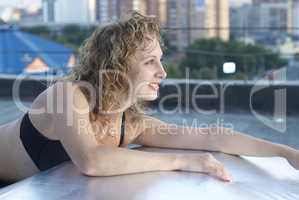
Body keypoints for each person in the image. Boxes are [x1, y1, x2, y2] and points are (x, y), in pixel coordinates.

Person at [0, 12, 298, 184]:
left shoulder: (130, 124)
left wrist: (285, 152)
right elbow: (91, 161)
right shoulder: (68, 95)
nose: (163, 72)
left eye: (161, 60)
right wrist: (183, 161)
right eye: (149, 62)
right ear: (116, 65)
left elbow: (212, 136)